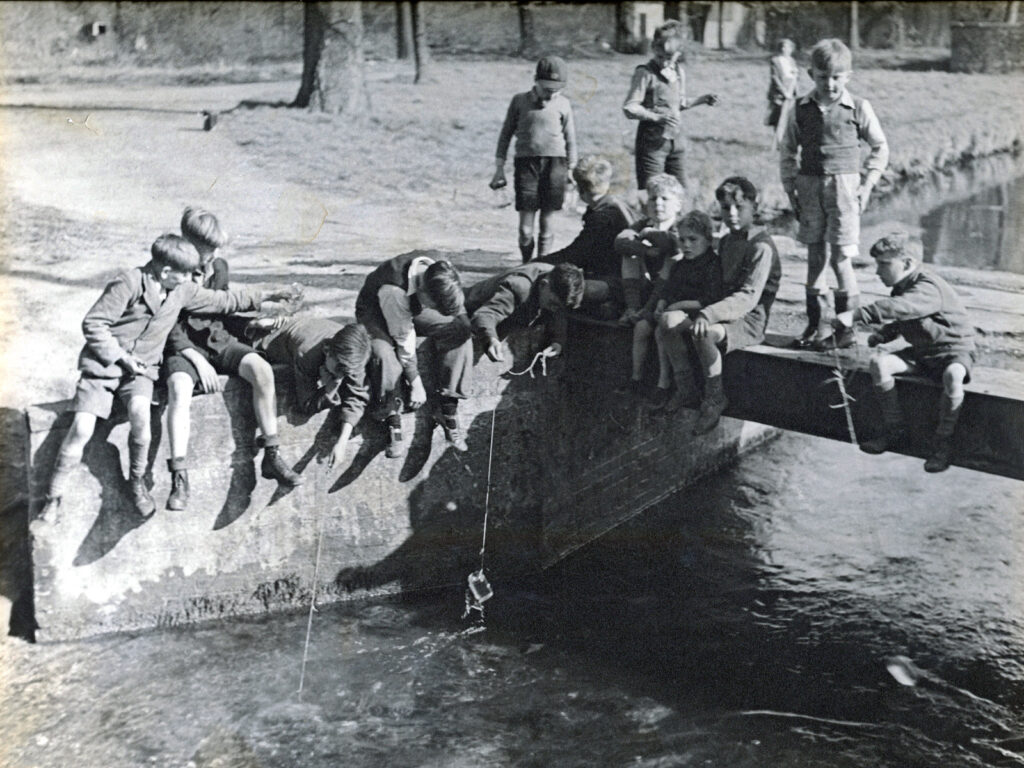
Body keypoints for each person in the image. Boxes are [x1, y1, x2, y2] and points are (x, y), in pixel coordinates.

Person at [41, 234, 293, 520]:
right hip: (105, 366)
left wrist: (267, 296)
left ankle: (137, 482)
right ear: (166, 272)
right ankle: (53, 497)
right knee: (82, 429)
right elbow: (94, 323)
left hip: (142, 371)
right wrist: (122, 357)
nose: (191, 278)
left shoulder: (181, 291)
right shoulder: (129, 282)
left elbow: (223, 300)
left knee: (140, 417)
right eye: (185, 273)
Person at [161, 207, 301, 512]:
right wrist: (198, 362)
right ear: (187, 242)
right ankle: (179, 477)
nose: (213, 255)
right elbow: (166, 324)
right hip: (182, 348)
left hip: (216, 341)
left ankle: (272, 455)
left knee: (262, 370)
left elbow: (222, 311)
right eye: (207, 249)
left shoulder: (219, 268)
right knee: (179, 390)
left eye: (216, 249)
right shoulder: (172, 269)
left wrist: (253, 324)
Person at [832, 232, 976, 473]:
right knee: (880, 364)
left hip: (953, 352)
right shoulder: (902, 287)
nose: (878, 272)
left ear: (908, 264)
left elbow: (903, 308)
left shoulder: (927, 287)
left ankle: (943, 442)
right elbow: (904, 318)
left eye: (884, 265)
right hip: (922, 353)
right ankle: (894, 429)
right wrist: (885, 335)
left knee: (953, 375)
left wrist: (857, 315)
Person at [779, 37, 889, 350]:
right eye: (823, 76)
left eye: (837, 77)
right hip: (809, 185)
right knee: (815, 257)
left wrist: (867, 185)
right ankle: (815, 326)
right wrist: (790, 188)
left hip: (845, 189)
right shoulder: (799, 108)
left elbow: (880, 148)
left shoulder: (859, 108)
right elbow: (788, 150)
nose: (830, 84)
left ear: (848, 77)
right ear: (811, 74)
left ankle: (845, 330)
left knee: (841, 259)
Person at [660, 177, 780, 434]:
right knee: (668, 323)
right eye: (726, 209)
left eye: (740, 208)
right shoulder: (727, 241)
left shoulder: (761, 247)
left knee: (704, 334)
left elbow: (748, 297)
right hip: (720, 310)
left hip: (748, 319)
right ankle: (686, 388)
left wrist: (708, 313)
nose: (732, 215)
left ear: (754, 207)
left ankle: (714, 397)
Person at [354, 253, 471, 458]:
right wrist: (416, 382)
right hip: (375, 312)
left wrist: (463, 322)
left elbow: (455, 302)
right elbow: (403, 337)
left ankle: (447, 409)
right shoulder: (394, 290)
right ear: (425, 293)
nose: (434, 310)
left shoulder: (440, 270)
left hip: (411, 305)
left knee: (460, 330)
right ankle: (392, 421)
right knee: (384, 353)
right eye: (433, 306)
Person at [491, 56, 578, 262]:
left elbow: (571, 139)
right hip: (526, 165)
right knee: (525, 229)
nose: (551, 93)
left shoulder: (564, 105)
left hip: (556, 165)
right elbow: (505, 134)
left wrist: (572, 169)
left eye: (556, 88)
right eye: (547, 87)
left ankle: (541, 264)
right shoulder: (519, 101)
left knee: (547, 223)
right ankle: (526, 262)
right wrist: (499, 167)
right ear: (536, 81)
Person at [256, 318, 371, 471]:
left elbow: (357, 397)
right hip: (266, 342)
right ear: (327, 351)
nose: (342, 375)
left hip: (307, 328)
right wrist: (332, 386)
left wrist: (342, 442)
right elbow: (306, 405)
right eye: (339, 370)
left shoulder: (353, 356)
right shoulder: (307, 353)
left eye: (346, 373)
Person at [622, 20, 718, 192]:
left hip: (677, 143)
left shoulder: (679, 72)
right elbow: (629, 108)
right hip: (652, 145)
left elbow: (678, 104)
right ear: (653, 48)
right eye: (660, 57)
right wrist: (657, 117)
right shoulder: (645, 73)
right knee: (653, 193)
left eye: (669, 58)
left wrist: (702, 100)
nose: (665, 63)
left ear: (679, 54)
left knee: (680, 193)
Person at [538, 154, 635, 318]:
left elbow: (576, 255)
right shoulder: (612, 205)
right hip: (619, 277)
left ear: (581, 190)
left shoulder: (604, 215)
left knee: (555, 285)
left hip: (618, 283)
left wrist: (539, 263)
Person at [614, 173, 686, 396]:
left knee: (671, 259)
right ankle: (636, 379)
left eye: (664, 199)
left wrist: (647, 236)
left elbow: (671, 245)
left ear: (678, 204)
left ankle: (663, 385)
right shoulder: (643, 223)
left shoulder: (681, 226)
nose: (658, 204)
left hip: (671, 294)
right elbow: (620, 240)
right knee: (629, 255)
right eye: (653, 199)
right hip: (646, 291)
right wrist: (644, 249)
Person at [651, 210, 723, 409]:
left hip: (700, 317)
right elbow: (669, 289)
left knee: (667, 323)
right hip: (676, 314)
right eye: (682, 240)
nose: (687, 245)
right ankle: (677, 385)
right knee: (659, 330)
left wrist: (678, 306)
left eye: (693, 239)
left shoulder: (712, 265)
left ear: (708, 240)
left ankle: (682, 387)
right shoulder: (682, 264)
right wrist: (662, 303)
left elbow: (710, 299)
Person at [466, 262, 585, 365]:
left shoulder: (556, 281)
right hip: (468, 312)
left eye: (559, 307)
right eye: (552, 304)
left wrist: (557, 340)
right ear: (543, 285)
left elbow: (558, 313)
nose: (554, 309)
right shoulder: (519, 287)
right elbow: (485, 314)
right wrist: (490, 339)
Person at [765, 38, 798, 131]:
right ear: (782, 48)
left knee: (790, 116)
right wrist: (784, 92)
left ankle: (787, 140)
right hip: (779, 92)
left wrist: (795, 75)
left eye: (790, 48)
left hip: (791, 90)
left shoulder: (792, 60)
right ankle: (777, 139)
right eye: (786, 47)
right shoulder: (775, 60)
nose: (789, 50)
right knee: (778, 116)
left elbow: (794, 75)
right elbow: (774, 77)